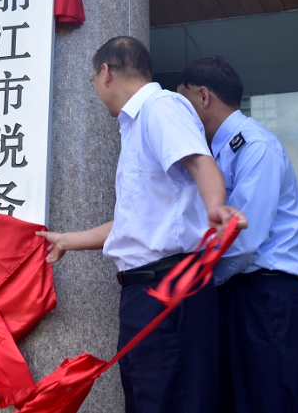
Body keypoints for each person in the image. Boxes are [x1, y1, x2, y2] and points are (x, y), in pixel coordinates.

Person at [36, 36, 244, 413]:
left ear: (106, 72)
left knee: (170, 402)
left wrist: (215, 207)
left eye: (92, 80)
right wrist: (67, 240)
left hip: (171, 290)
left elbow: (201, 163)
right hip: (142, 293)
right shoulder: (134, 126)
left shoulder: (160, 108)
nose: (96, 90)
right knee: (146, 400)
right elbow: (135, 223)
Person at [175, 56, 298, 413]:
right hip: (238, 294)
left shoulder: (254, 146)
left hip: (266, 297)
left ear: (203, 97)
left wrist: (201, 282)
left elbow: (245, 239)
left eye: (183, 100)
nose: (180, 113)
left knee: (267, 400)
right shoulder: (218, 151)